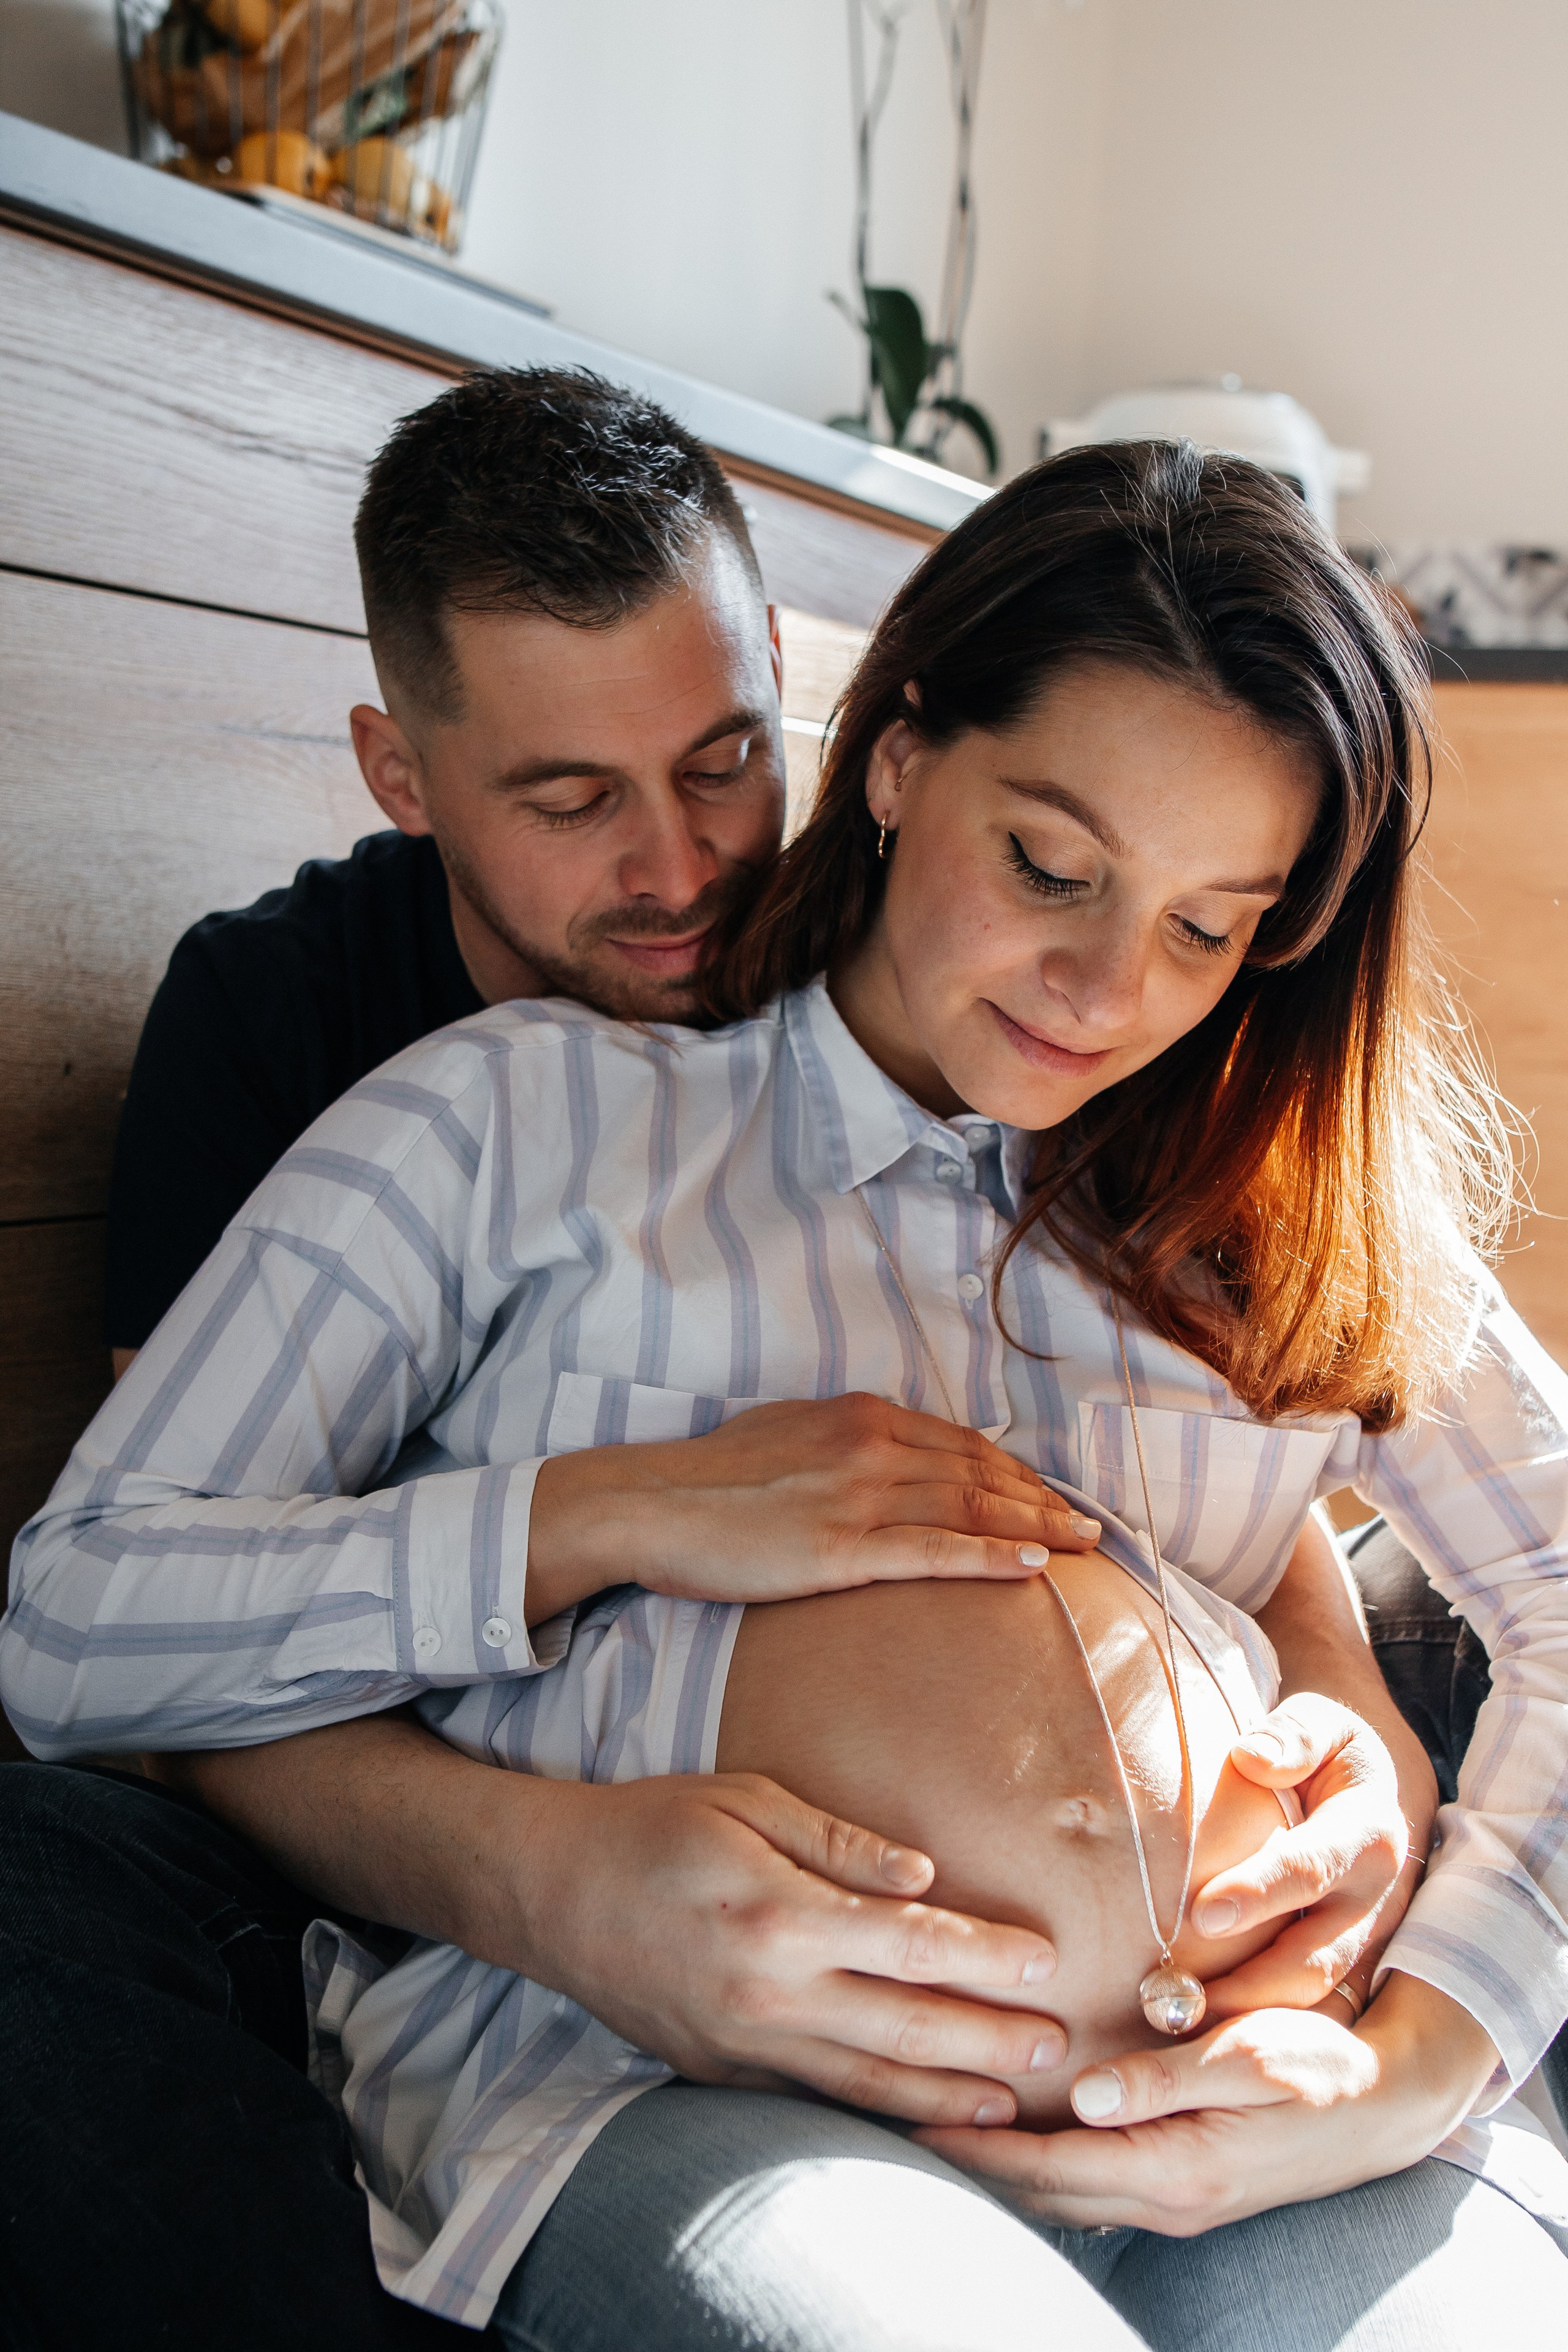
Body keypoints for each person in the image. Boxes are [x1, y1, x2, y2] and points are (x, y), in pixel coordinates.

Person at [7, 440, 1566, 2348]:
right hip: (680, 2092)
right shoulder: (516, 1114)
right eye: (1050, 866)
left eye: (1207, 924)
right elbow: (80, 1615)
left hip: (1281, 2109)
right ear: (900, 760)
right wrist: (590, 1516)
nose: (1100, 985)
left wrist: (1438, 2040)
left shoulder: (1284, 1188)